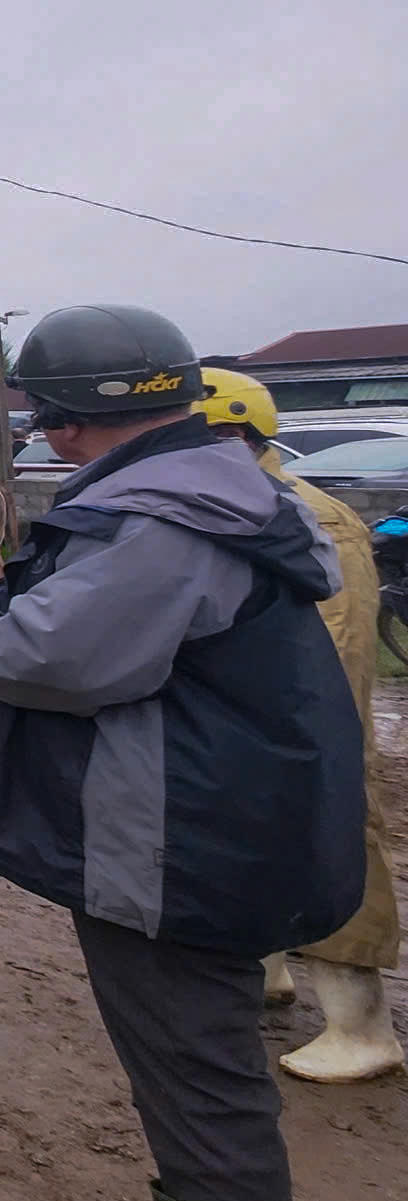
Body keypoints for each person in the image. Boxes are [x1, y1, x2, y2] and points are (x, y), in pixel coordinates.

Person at [0, 306, 360, 1201]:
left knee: (197, 1069)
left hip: (174, 842)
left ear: (64, 419)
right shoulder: (214, 487)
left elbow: (46, 661)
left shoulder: (160, 519)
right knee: (184, 1061)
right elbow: (115, 619)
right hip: (218, 822)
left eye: (42, 415)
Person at [195, 367, 401, 1083]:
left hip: (306, 725)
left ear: (231, 436)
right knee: (252, 836)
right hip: (252, 717)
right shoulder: (239, 503)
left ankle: (361, 1026)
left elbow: (332, 648)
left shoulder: (308, 516)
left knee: (330, 835)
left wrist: (301, 739)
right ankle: (268, 971)